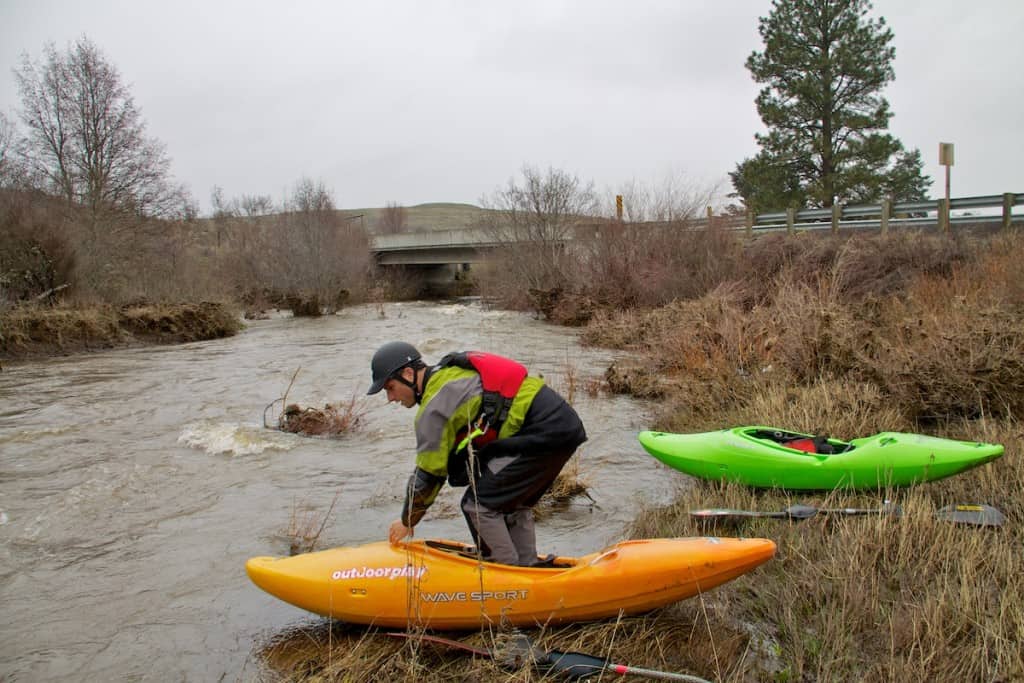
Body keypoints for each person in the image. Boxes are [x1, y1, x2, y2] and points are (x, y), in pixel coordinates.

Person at [367, 341, 587, 566]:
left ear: (408, 373)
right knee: (510, 501)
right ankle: (526, 567)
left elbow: (429, 474)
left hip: (541, 430)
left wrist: (408, 520)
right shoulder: (446, 376)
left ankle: (504, 572)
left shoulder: (433, 408)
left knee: (477, 505)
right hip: (562, 424)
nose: (390, 398)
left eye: (390, 388)